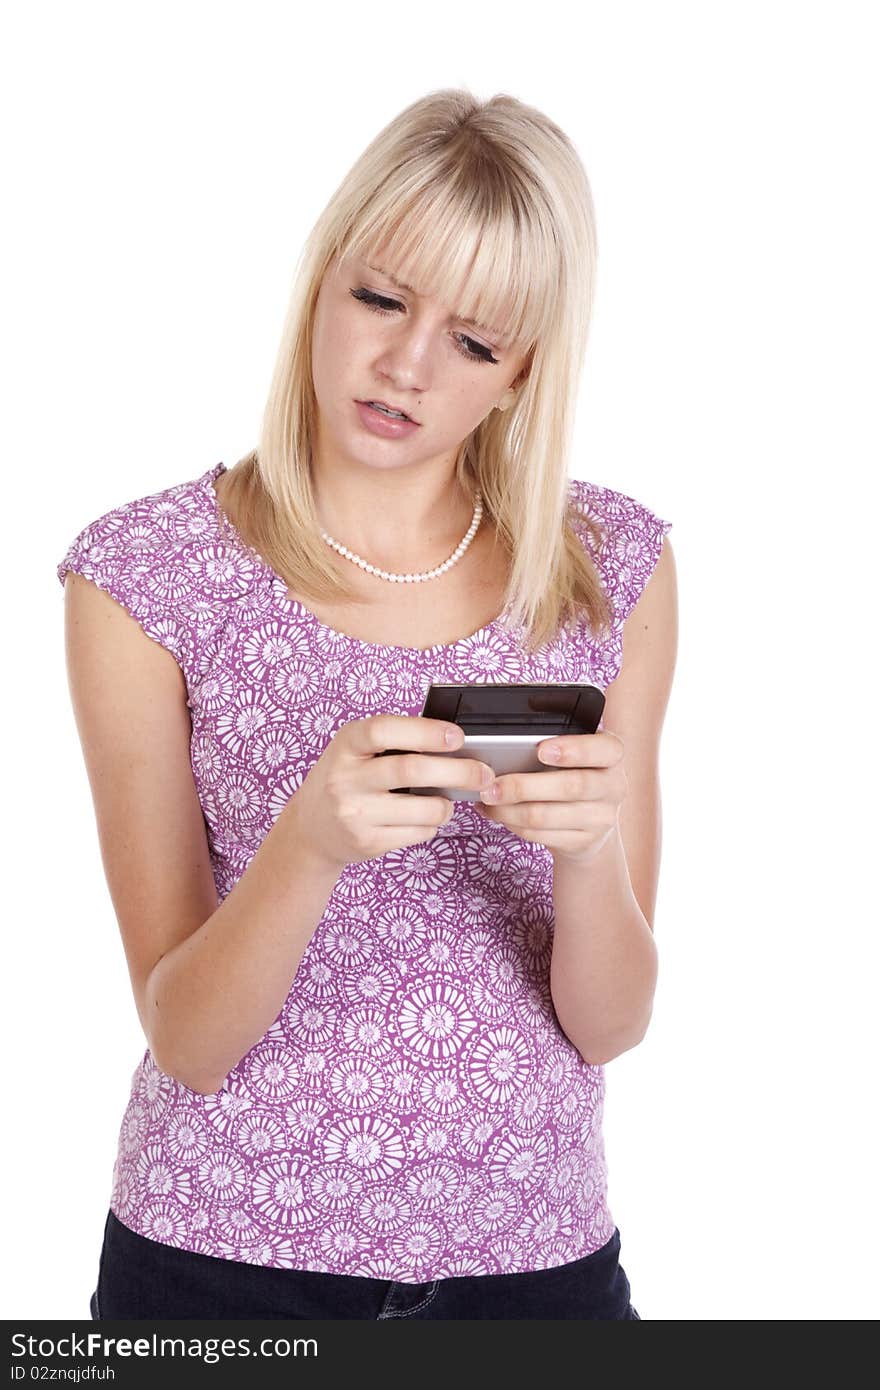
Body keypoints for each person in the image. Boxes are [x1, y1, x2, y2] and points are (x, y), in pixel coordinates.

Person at [57, 87, 676, 1321]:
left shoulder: (609, 568)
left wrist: (589, 851)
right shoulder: (145, 575)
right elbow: (186, 1039)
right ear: (321, 283)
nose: (404, 364)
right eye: (381, 297)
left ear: (521, 375)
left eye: (475, 340)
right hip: (222, 1268)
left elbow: (608, 1026)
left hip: (537, 1264)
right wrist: (308, 844)